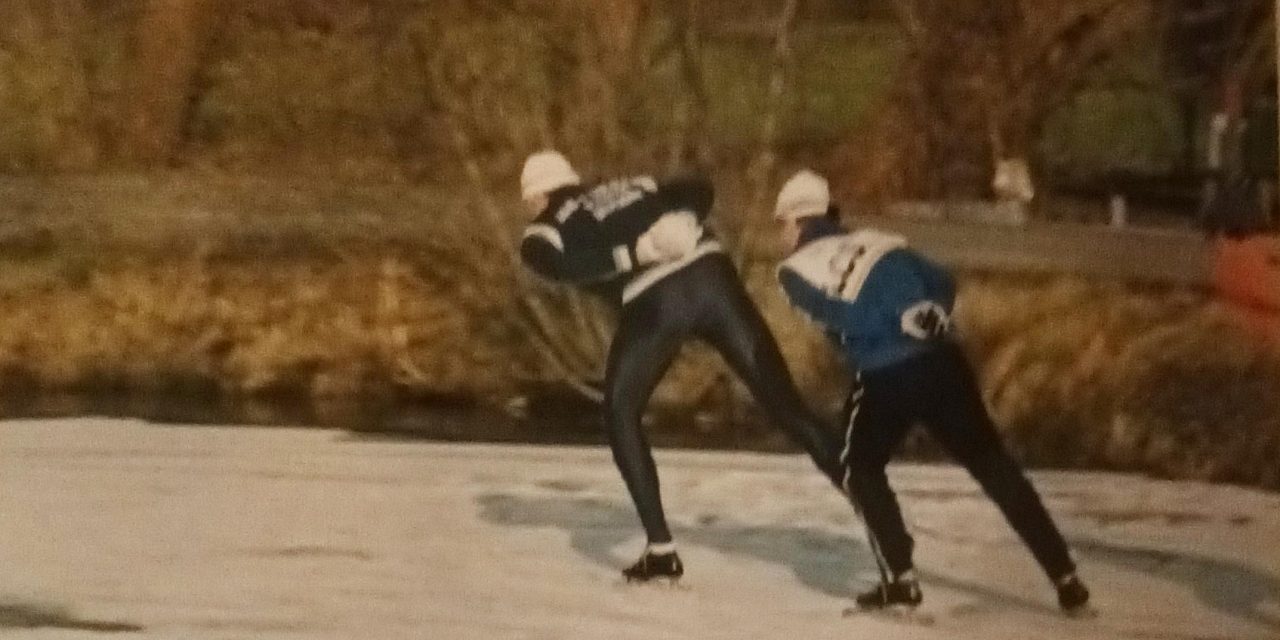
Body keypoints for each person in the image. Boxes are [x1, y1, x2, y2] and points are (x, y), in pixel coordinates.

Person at [517, 150, 858, 584]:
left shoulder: (543, 229)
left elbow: (563, 268)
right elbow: (699, 186)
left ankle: (661, 550)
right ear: (573, 179)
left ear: (533, 197)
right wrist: (682, 217)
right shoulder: (632, 182)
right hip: (713, 274)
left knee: (620, 413)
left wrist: (635, 252)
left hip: (657, 298)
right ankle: (874, 505)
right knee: (786, 405)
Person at [771, 169, 1093, 617]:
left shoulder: (792, 271)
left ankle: (900, 580)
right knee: (994, 466)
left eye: (780, 226)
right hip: (943, 362)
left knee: (860, 467)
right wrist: (927, 313)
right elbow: (944, 281)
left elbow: (837, 316)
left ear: (797, 222)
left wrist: (888, 327)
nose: (780, 238)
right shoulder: (881, 240)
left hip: (887, 376)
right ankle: (1066, 577)